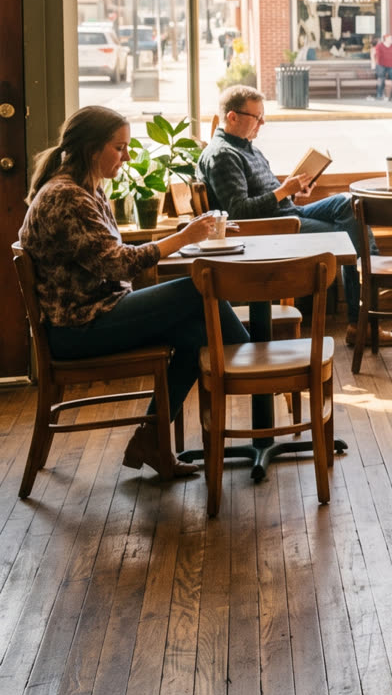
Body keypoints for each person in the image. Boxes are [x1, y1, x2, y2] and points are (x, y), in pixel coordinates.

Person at [19, 106, 250, 479]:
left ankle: (150, 441)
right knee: (197, 289)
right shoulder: (67, 198)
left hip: (97, 313)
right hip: (78, 329)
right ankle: (247, 360)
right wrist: (183, 237)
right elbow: (119, 264)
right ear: (92, 149)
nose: (127, 156)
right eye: (119, 147)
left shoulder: (85, 189)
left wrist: (185, 237)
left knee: (195, 336)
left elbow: (113, 262)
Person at [198, 84, 373, 334]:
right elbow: (239, 212)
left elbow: (262, 195)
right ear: (232, 117)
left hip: (287, 214)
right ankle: (363, 319)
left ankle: (365, 300)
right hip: (271, 229)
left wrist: (293, 192)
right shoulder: (223, 155)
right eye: (257, 117)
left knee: (350, 204)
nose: (263, 123)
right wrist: (283, 192)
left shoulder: (245, 146)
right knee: (352, 236)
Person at [371, 32, 392, 102]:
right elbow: (373, 54)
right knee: (381, 80)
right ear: (385, 39)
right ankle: (379, 95)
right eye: (390, 39)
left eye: (391, 39)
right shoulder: (379, 45)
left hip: (390, 65)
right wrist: (373, 63)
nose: (391, 40)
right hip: (381, 65)